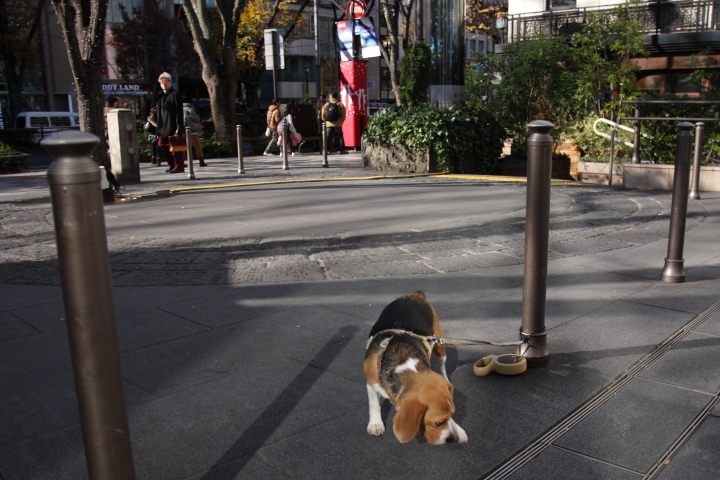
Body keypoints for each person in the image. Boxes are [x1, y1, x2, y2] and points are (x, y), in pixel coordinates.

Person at [152, 72, 184, 173]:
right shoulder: (160, 95)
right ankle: (172, 164)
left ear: (170, 82)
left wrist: (179, 126)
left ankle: (179, 166)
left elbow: (179, 111)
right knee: (161, 144)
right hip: (163, 126)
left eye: (165, 81)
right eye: (161, 82)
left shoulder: (175, 94)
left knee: (176, 146)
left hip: (173, 124)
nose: (163, 83)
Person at [182, 94, 207, 167]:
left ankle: (182, 161)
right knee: (197, 145)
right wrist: (198, 117)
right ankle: (201, 160)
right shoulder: (190, 108)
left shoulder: (179, 108)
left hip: (183, 129)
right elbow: (195, 118)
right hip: (192, 129)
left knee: (184, 146)